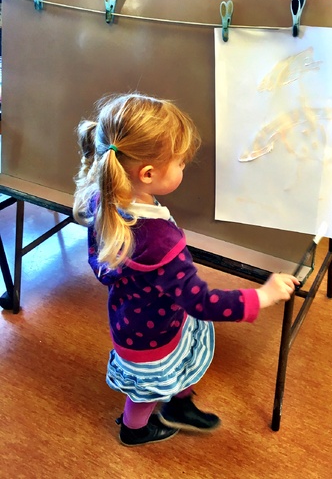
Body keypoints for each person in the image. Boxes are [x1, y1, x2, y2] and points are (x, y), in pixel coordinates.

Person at [73, 93, 299, 447]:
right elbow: (202, 303)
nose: (184, 167)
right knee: (147, 392)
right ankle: (134, 430)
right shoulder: (160, 243)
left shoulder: (104, 198)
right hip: (150, 338)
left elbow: (102, 264)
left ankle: (179, 404)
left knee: (183, 359)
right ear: (148, 174)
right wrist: (262, 296)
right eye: (180, 163)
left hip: (137, 315)